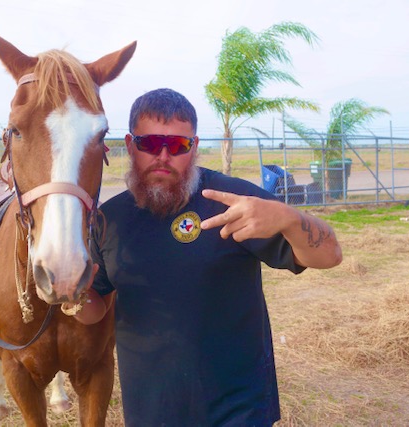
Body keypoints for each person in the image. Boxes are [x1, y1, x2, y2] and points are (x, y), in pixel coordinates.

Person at [64, 88, 342, 426]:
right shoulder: (110, 220)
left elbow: (330, 256)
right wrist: (76, 298)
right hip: (150, 410)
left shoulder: (231, 200)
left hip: (235, 409)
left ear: (194, 147)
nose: (163, 156)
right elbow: (95, 308)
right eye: (150, 143)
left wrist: (289, 218)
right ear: (130, 144)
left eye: (178, 146)